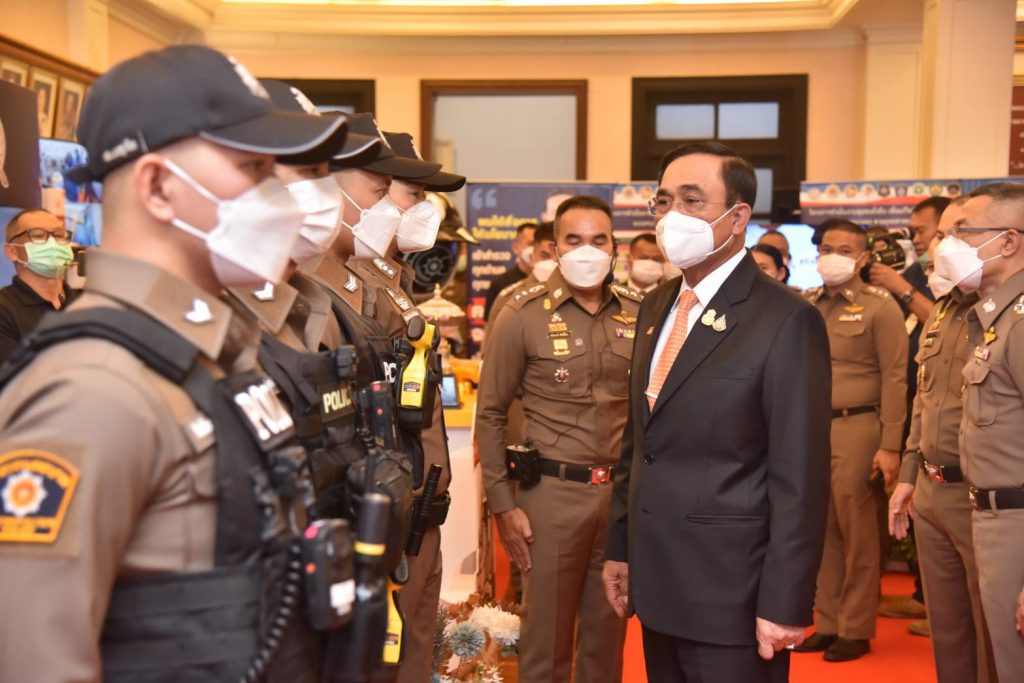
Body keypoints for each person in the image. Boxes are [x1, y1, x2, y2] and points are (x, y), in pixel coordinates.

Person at [0, 44, 348, 681]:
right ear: (158, 187)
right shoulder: (95, 389)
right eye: (253, 168)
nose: (282, 199)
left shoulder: (209, 358)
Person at [603, 142, 831, 683]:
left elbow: (800, 477)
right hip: (657, 582)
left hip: (733, 593)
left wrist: (786, 600)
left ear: (738, 217)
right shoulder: (657, 304)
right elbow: (640, 443)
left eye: (692, 200)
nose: (672, 216)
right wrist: (622, 548)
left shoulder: (785, 319)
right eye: (663, 201)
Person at [478, 195, 641, 683]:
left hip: (619, 498)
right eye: (574, 240)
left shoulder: (639, 313)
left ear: (614, 249)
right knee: (545, 643)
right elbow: (490, 414)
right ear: (554, 248)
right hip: (551, 498)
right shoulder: (520, 314)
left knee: (607, 639)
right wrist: (503, 505)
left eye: (598, 240)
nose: (587, 251)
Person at [888, 196, 997, 683]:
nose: (941, 246)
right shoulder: (945, 310)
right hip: (932, 491)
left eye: (956, 234)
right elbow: (925, 400)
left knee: (993, 638)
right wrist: (909, 475)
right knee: (949, 635)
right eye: (940, 236)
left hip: (983, 495)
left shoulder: (1007, 314)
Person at [797, 218, 908, 662]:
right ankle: (827, 622)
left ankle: (856, 627)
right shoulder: (807, 304)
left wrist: (891, 445)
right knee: (821, 529)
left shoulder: (880, 307)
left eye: (845, 250)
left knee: (859, 532)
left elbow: (896, 378)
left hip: (859, 428)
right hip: (811, 430)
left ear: (863, 258)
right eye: (827, 248)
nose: (833, 257)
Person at [939, 181, 1024, 682]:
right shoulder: (994, 317)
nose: (950, 245)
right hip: (991, 517)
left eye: (964, 232)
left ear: (1008, 241)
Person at [0, 208, 77, 359]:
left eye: (59, 235)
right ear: (12, 251)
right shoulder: (4, 310)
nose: (53, 243)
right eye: (38, 236)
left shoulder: (86, 303)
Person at [484, 221, 557, 342]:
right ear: (532, 258)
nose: (551, 262)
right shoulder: (509, 298)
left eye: (556, 256)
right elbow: (492, 348)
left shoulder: (579, 296)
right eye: (544, 256)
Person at [483, 221, 536, 320]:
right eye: (530, 244)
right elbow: (490, 326)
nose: (533, 249)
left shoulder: (548, 280)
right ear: (516, 248)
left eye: (537, 244)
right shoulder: (499, 284)